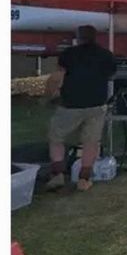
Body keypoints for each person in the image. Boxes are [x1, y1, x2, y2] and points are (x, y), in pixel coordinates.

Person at [44, 24, 117, 192]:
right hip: (97, 104)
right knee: (91, 142)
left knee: (56, 138)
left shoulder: (68, 54)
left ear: (78, 37)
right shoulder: (106, 55)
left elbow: (57, 77)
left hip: (71, 104)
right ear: (95, 36)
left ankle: (57, 175)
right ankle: (84, 179)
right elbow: (111, 74)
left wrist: (48, 96)